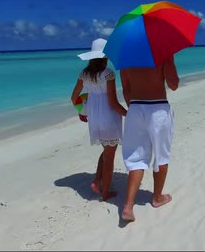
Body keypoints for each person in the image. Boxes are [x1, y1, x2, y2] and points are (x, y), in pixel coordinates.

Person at [119, 55, 179, 222]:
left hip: (135, 109)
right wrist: (169, 60)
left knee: (136, 157)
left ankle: (128, 206)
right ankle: (157, 197)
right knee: (161, 155)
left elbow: (126, 90)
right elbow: (173, 85)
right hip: (157, 108)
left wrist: (137, 110)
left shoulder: (126, 56)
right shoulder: (160, 54)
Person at [71, 38, 127, 201]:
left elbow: (74, 97)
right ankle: (104, 192)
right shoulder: (108, 73)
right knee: (110, 156)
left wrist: (82, 112)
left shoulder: (84, 74)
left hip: (94, 117)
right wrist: (129, 115)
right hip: (109, 117)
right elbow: (113, 103)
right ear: (105, 56)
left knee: (106, 151)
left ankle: (97, 181)